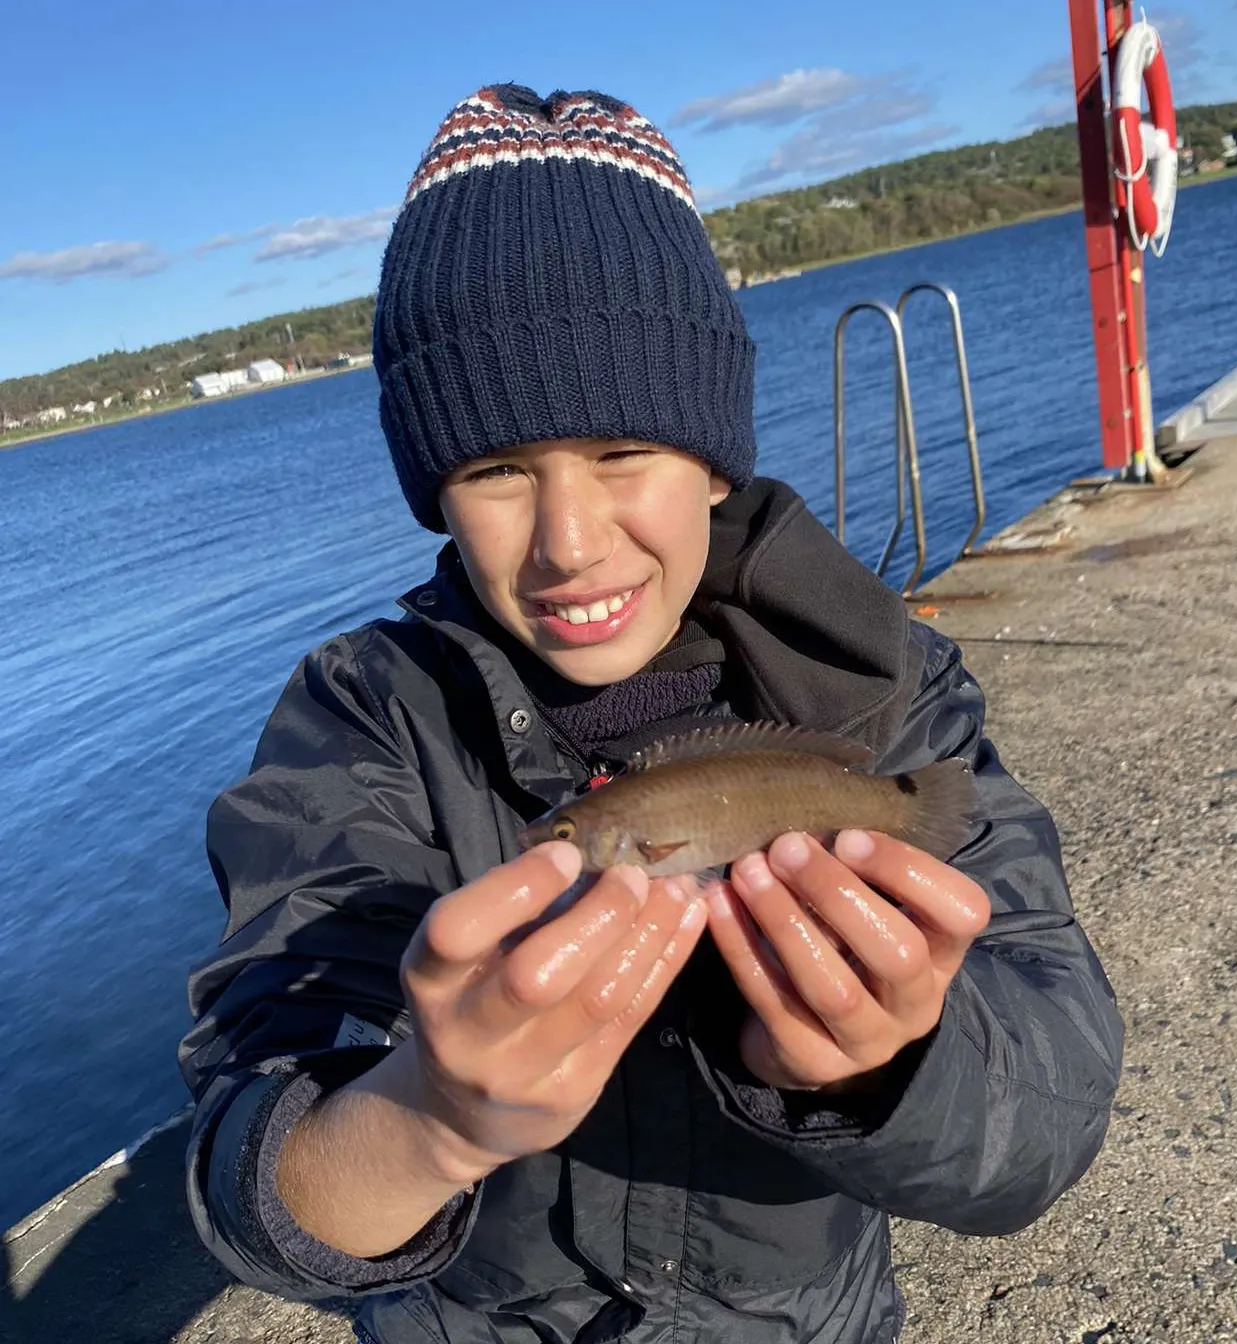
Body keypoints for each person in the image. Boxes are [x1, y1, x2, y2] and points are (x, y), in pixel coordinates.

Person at [179, 84, 1124, 1344]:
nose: (570, 543)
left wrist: (893, 1058)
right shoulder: (365, 723)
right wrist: (424, 1119)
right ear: (433, 491)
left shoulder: (880, 683)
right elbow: (251, 1141)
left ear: (713, 455)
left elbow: (1050, 1107)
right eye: (497, 468)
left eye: (625, 449)